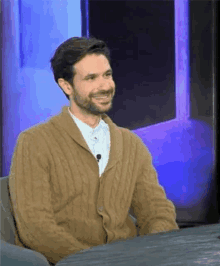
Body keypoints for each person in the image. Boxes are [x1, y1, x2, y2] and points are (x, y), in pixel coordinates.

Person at [8, 37, 179, 265]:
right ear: (66, 86)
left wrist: (151, 253)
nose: (105, 86)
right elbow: (36, 228)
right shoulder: (34, 142)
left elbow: (157, 212)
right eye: (91, 78)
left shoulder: (131, 144)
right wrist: (95, 261)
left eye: (107, 75)